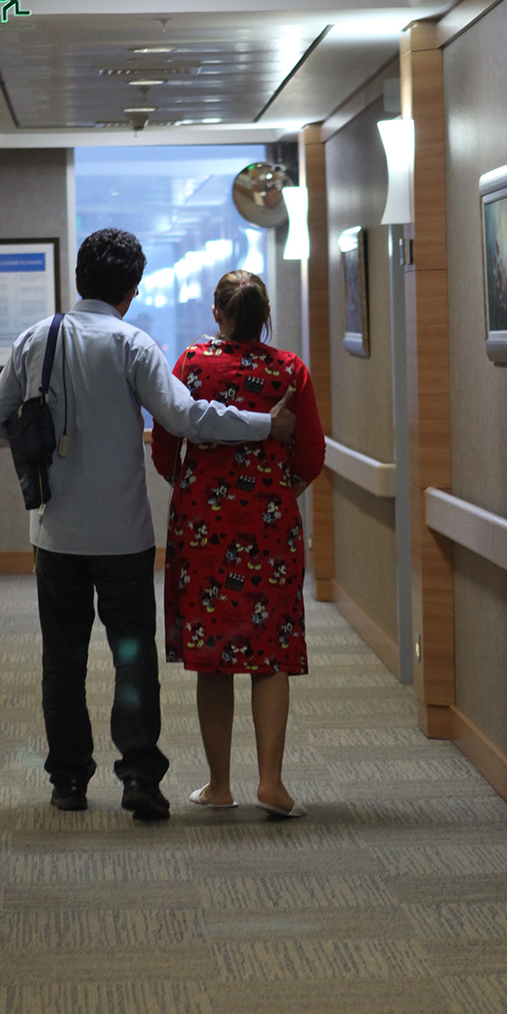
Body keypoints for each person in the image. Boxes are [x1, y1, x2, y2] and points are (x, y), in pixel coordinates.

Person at [0, 229, 296, 822]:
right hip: (124, 539)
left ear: (79, 279)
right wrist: (262, 426)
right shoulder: (132, 344)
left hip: (55, 536)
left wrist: (48, 446)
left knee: (63, 659)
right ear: (131, 290)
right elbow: (183, 414)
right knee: (132, 657)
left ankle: (69, 780)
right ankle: (138, 779)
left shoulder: (35, 339)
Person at [151, 270, 325, 817]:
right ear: (264, 313)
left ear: (216, 313)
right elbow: (311, 455)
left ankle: (219, 785)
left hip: (203, 527)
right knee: (267, 652)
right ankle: (271, 783)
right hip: (271, 529)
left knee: (214, 656)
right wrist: (276, 491)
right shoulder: (289, 371)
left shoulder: (191, 364)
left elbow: (163, 448)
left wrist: (200, 490)